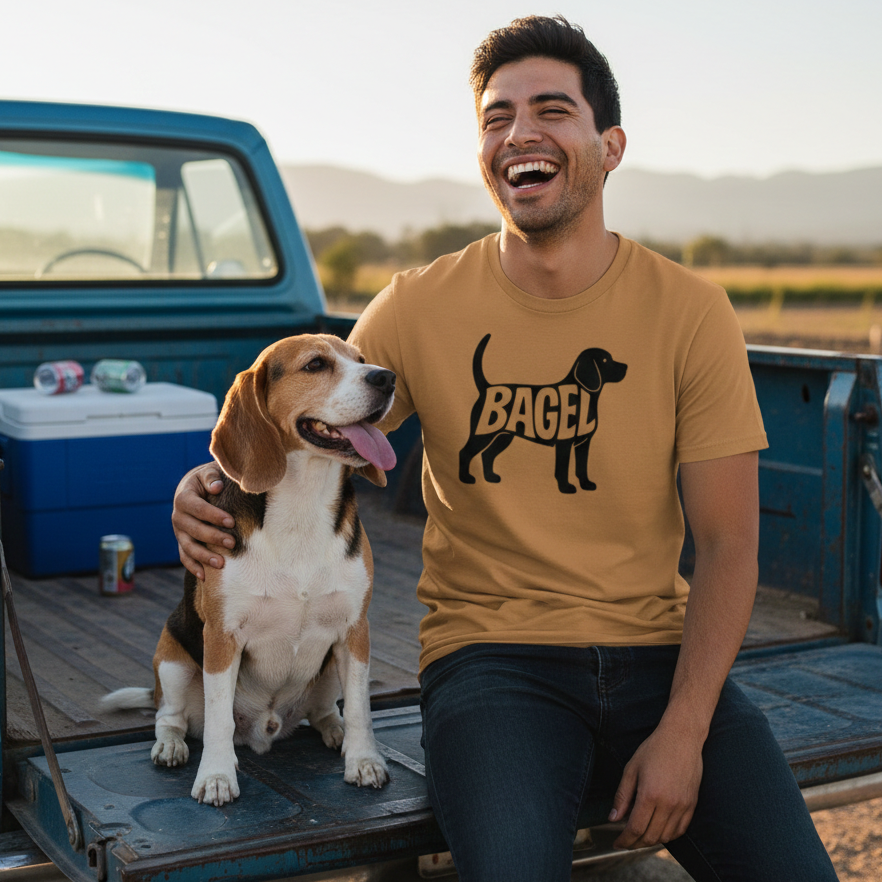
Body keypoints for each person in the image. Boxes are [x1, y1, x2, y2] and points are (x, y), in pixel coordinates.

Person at [172, 16, 838, 882]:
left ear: (611, 144)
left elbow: (728, 544)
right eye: (496, 118)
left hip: (658, 656)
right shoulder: (415, 307)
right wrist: (205, 481)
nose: (519, 132)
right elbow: (303, 414)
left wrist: (683, 732)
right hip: (493, 666)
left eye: (551, 110)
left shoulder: (691, 311)